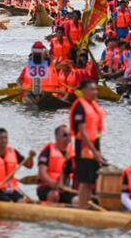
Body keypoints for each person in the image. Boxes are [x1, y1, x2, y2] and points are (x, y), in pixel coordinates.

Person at [70, 80, 106, 209]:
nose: (95, 92)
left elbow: (95, 132)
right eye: (92, 89)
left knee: (92, 180)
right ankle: (81, 207)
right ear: (84, 91)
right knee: (85, 180)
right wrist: (94, 151)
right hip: (84, 147)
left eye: (95, 89)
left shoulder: (92, 105)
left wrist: (97, 151)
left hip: (94, 146)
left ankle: (86, 205)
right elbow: (82, 132)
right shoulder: (80, 107)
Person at [0, 128, 35, 202]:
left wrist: (31, 157)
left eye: (5, 138)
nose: (4, 140)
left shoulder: (13, 151)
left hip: (11, 188)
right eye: (1, 138)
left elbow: (29, 166)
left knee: (22, 201)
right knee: (10, 203)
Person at [37, 125, 76, 204]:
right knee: (54, 195)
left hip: (64, 188)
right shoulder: (48, 151)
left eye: (69, 135)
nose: (68, 138)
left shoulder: (71, 152)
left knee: (77, 199)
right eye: (65, 135)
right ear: (57, 137)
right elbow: (42, 172)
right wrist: (51, 183)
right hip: (47, 187)